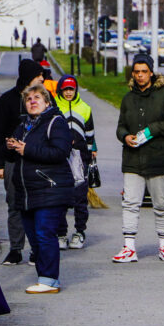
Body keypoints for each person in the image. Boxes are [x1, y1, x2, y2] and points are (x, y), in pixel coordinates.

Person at [6, 84, 76, 293]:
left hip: (50, 188)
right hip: (27, 191)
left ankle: (49, 280)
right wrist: (9, 147)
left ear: (47, 102)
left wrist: (27, 149)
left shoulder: (56, 122)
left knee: (45, 233)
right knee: (35, 238)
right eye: (28, 99)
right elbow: (13, 156)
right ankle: (45, 277)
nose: (32, 102)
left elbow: (59, 152)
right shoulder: (23, 125)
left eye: (37, 98)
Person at [113, 54, 164, 264]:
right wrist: (125, 136)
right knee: (130, 203)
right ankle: (129, 247)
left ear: (151, 72)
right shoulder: (128, 98)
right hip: (133, 158)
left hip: (158, 158)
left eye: (144, 71)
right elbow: (120, 125)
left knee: (161, 203)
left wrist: (153, 129)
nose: (140, 75)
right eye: (136, 72)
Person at [0, 58, 44, 266]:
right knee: (14, 205)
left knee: (37, 207)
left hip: (37, 160)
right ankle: (15, 249)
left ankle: (36, 250)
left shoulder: (44, 99)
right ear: (28, 78)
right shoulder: (8, 101)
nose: (42, 79)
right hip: (13, 161)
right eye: (39, 76)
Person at [54, 75, 95, 249]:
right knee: (60, 198)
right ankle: (61, 233)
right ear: (60, 90)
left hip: (80, 158)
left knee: (79, 197)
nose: (69, 92)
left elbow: (90, 135)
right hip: (59, 158)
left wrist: (89, 154)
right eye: (65, 89)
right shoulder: (53, 107)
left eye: (71, 89)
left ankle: (79, 232)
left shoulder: (85, 108)